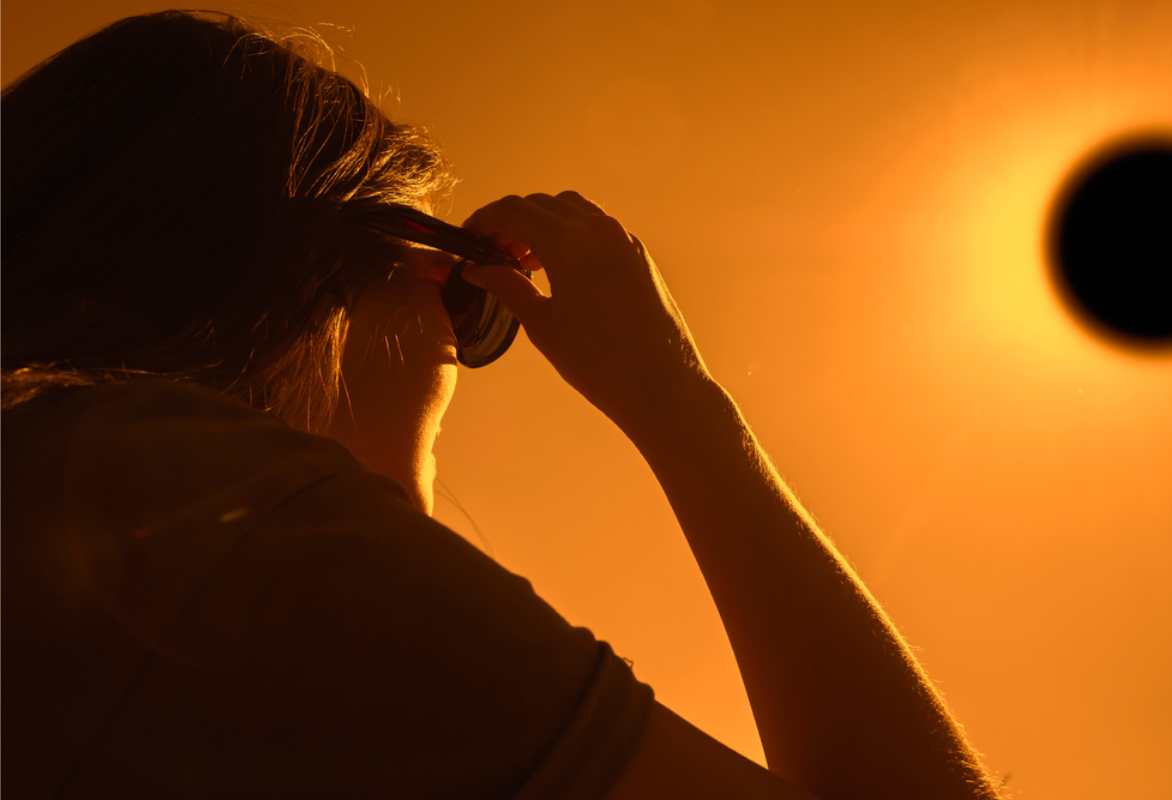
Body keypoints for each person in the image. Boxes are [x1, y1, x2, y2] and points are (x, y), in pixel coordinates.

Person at [0, 10, 1004, 799]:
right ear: (309, 267)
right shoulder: (243, 530)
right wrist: (682, 405)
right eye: (467, 289)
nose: (458, 347)